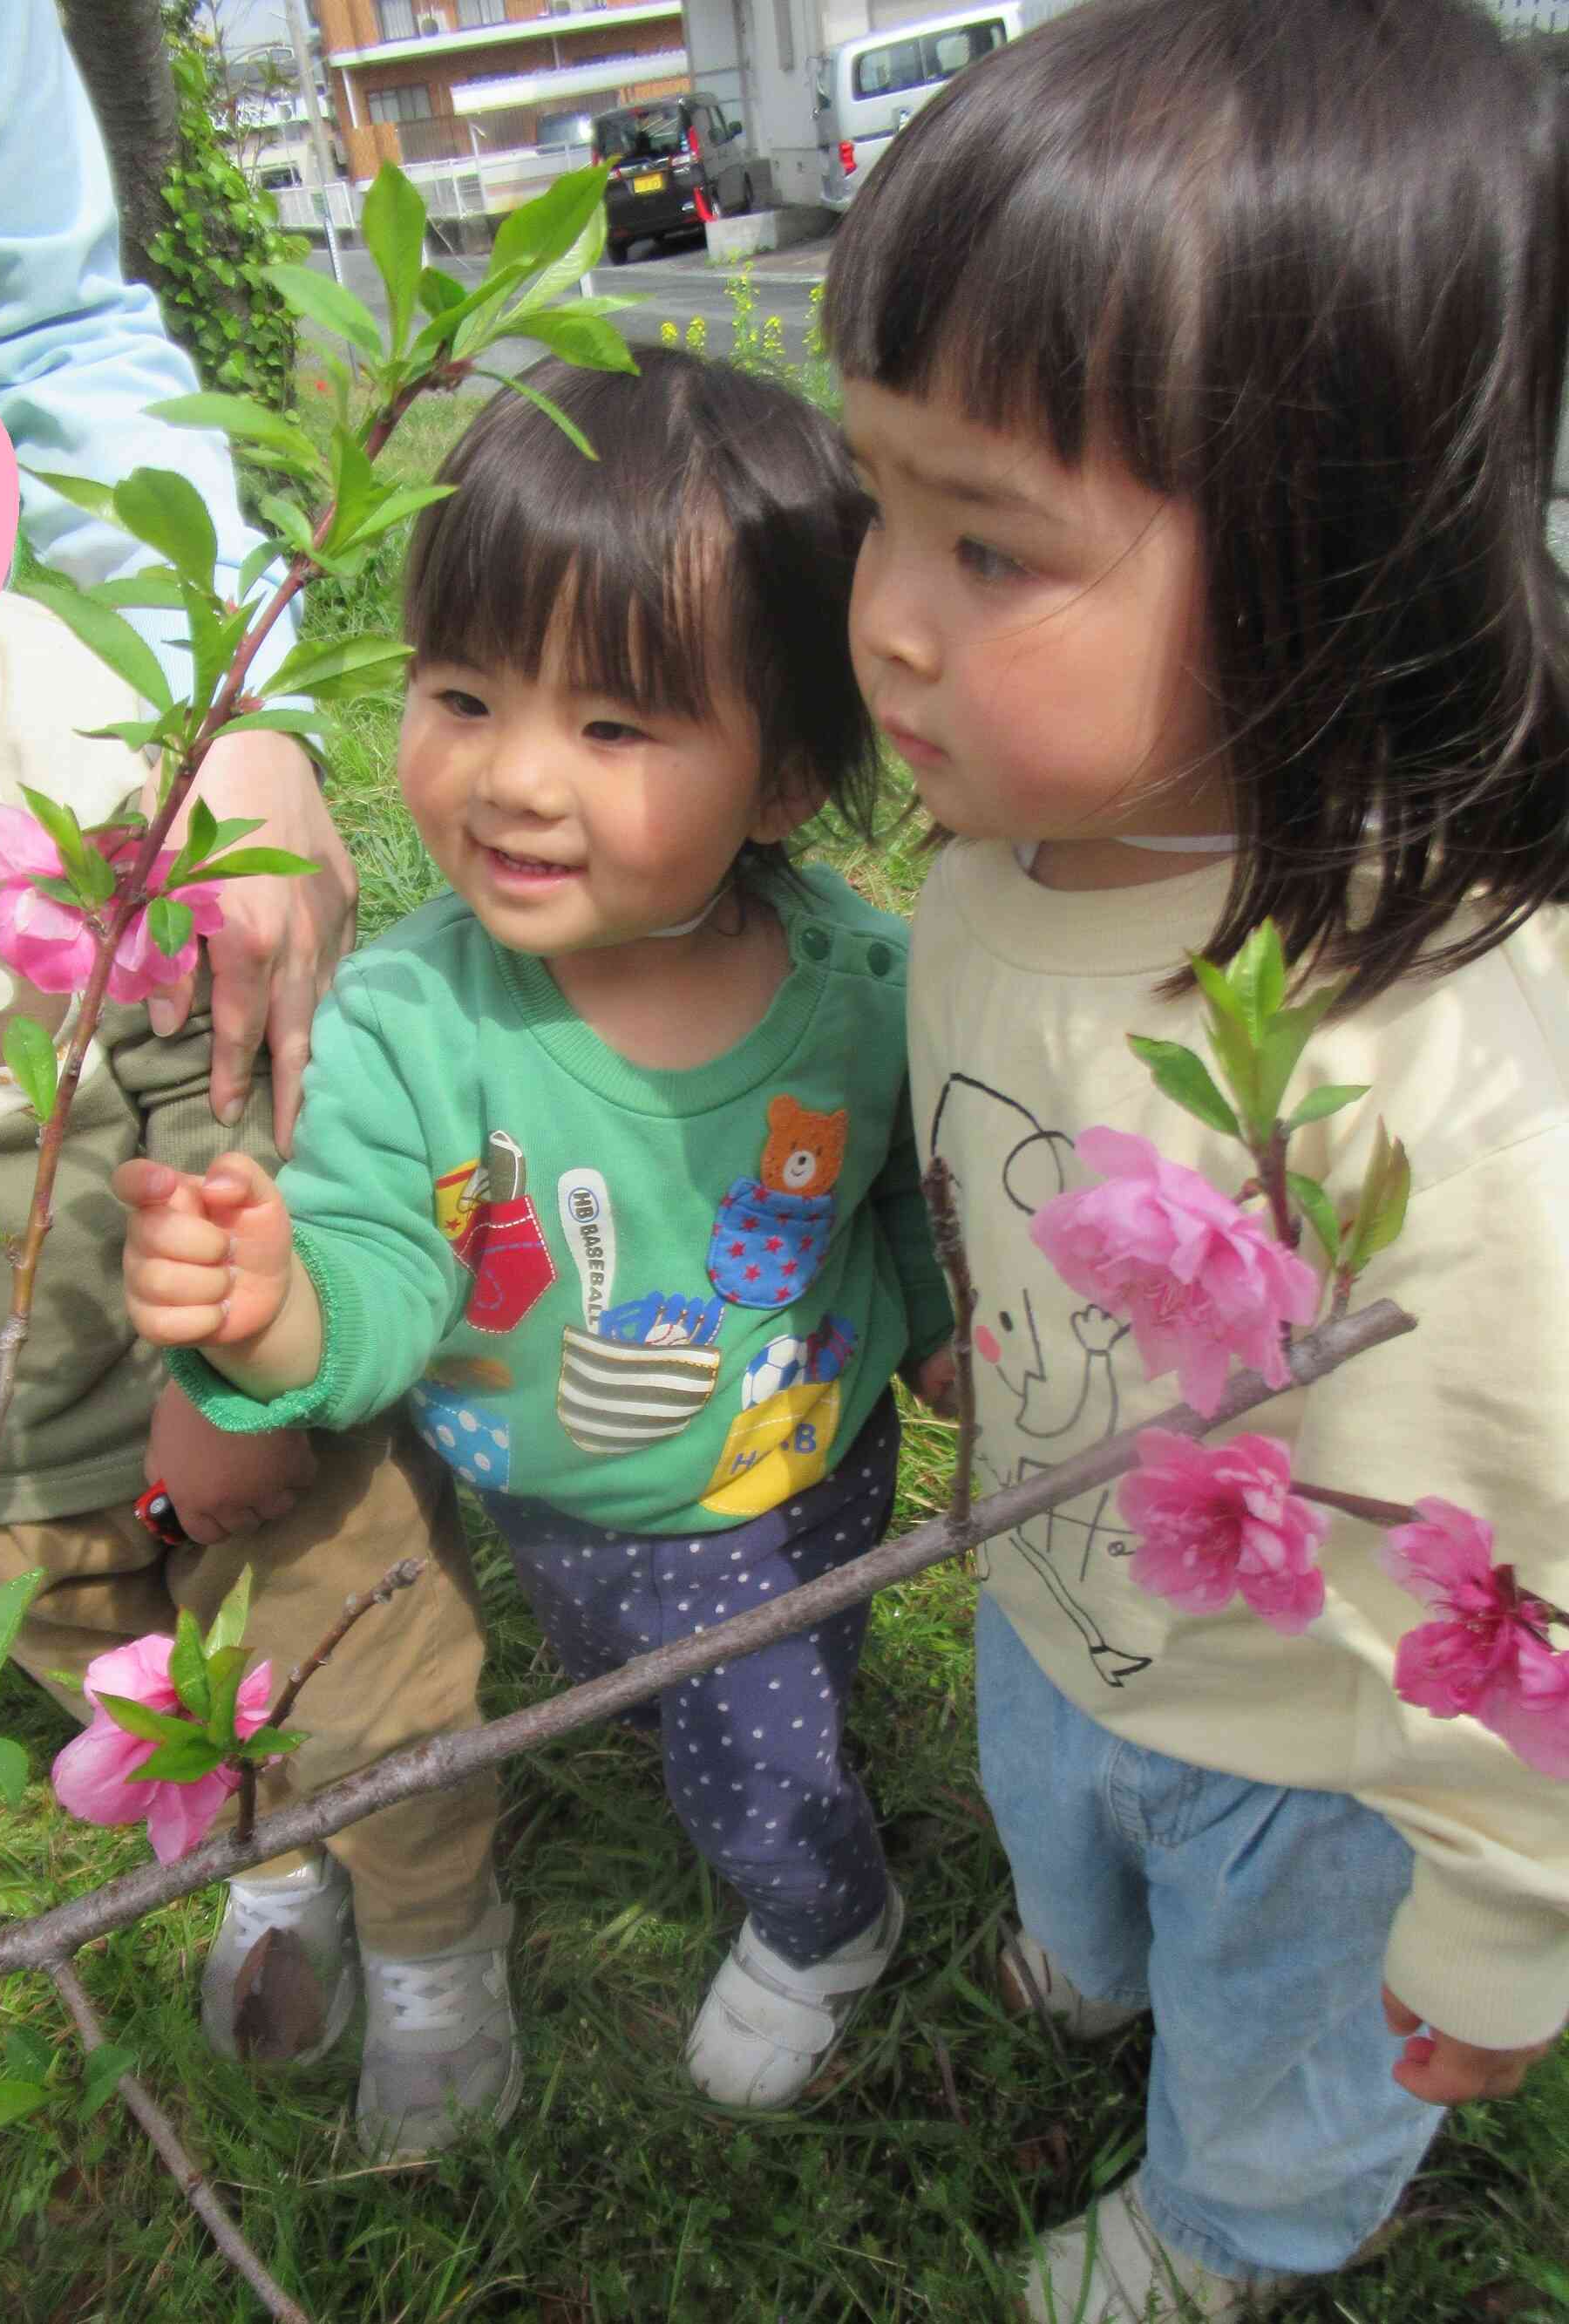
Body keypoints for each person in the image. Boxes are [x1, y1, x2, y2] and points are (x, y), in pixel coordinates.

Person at [825, 1, 1569, 2315]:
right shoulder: (988, 871)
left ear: (1329, 561)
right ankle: (1091, 1951)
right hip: (1058, 1605)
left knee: (1287, 2036)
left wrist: (1501, 1931)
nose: (880, 616)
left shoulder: (1438, 1087)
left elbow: (1521, 1593)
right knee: (1080, 1854)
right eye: (875, 500)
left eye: (992, 544)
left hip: (1313, 1756)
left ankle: (1225, 2227)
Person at [119, 349, 958, 2122]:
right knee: (632, 1684)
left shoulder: (869, 992)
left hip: (783, 1484)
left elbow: (899, 1188)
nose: (510, 778)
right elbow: (381, 1276)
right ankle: (730, 1760)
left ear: (790, 772)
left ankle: (829, 1917)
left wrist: (945, 1319)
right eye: (463, 692)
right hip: (543, 1493)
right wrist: (270, 1312)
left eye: (613, 724)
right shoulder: (416, 1021)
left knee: (760, 1751)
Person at [0, 105, 507, 2164]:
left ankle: (432, 1921)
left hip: (215, 1378)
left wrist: (231, 1375)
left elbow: (224, 1050)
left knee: (362, 1662)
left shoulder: (45, 697)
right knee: (127, 1696)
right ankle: (260, 1854)